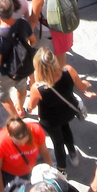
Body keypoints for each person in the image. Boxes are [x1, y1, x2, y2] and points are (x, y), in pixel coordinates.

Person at [25, 44, 86, 172]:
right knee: (66, 129)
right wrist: (86, 84)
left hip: (50, 120)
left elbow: (32, 106)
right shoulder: (68, 70)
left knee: (57, 142)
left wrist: (27, 109)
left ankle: (62, 169)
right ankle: (73, 154)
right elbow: (82, 87)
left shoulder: (37, 88)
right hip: (67, 112)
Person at [0, 0, 39, 121]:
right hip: (21, 68)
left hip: (3, 74)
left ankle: (16, 117)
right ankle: (20, 108)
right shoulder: (23, 23)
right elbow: (33, 41)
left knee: (3, 96)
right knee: (21, 89)